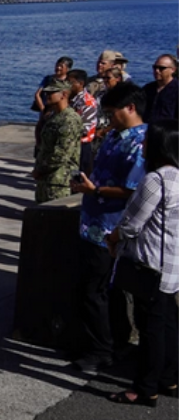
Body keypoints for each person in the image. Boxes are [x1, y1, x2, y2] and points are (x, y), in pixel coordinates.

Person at [69, 82, 149, 374]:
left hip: (110, 230)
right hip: (93, 224)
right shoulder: (116, 136)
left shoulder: (141, 142)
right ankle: (111, 342)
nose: (108, 119)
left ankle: (101, 350)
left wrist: (96, 189)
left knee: (95, 290)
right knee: (101, 290)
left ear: (131, 108)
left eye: (113, 112)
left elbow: (133, 190)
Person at [104, 120, 179, 407]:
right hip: (173, 264)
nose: (143, 145)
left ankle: (145, 388)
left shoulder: (155, 180)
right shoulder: (177, 177)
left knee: (150, 328)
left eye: (148, 141)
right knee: (169, 322)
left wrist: (114, 238)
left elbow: (133, 224)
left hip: (151, 264)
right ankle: (170, 377)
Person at [33, 79, 82, 203]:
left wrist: (41, 169)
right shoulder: (54, 116)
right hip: (46, 178)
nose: (47, 96)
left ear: (64, 95)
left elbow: (62, 154)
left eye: (51, 93)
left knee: (53, 217)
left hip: (60, 180)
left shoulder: (69, 119)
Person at [33, 57, 73, 159]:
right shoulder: (48, 79)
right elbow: (38, 94)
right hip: (46, 110)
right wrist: (43, 110)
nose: (58, 68)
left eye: (61, 66)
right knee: (40, 129)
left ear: (67, 69)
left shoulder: (69, 81)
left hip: (59, 112)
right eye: (57, 65)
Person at [67, 69, 99, 175]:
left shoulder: (87, 102)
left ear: (80, 84)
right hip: (70, 143)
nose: (67, 85)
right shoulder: (71, 99)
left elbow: (85, 128)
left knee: (78, 175)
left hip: (81, 144)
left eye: (70, 82)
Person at [143, 54, 178, 125]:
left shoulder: (177, 90)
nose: (157, 71)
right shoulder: (148, 88)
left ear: (173, 70)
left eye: (161, 68)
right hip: (148, 131)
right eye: (155, 67)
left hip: (168, 133)